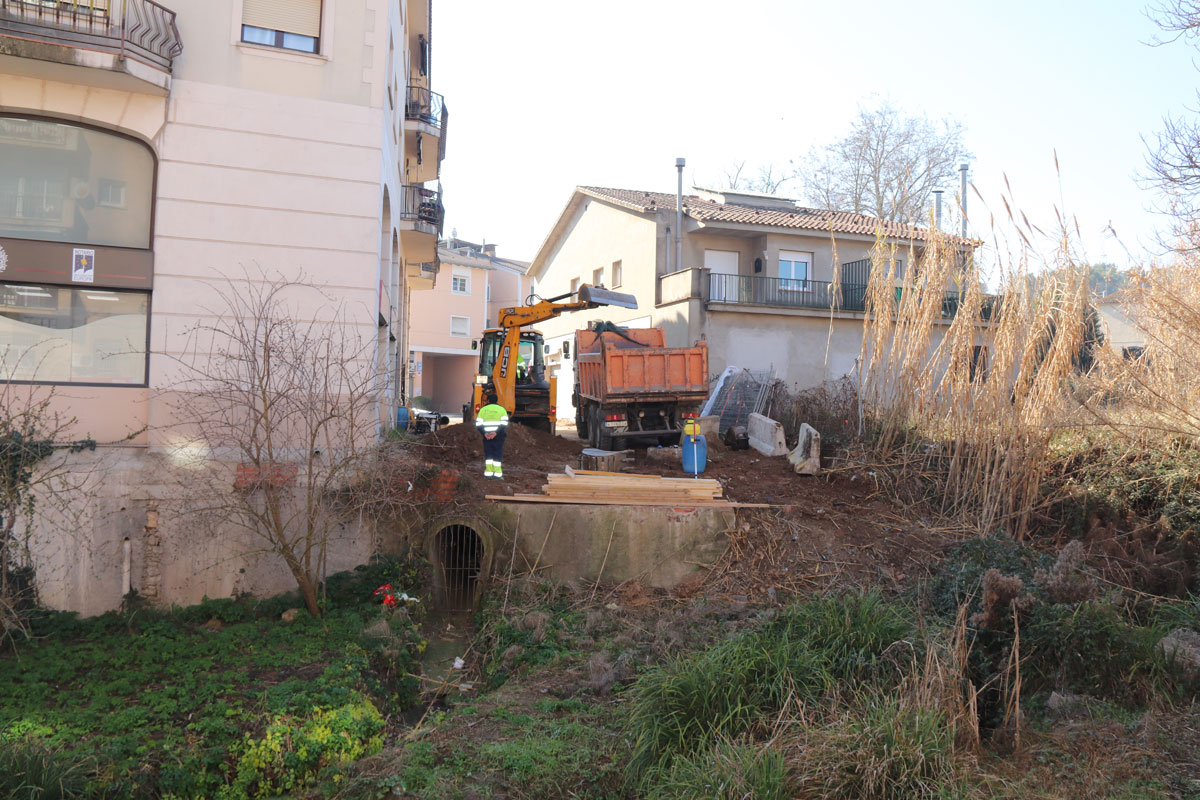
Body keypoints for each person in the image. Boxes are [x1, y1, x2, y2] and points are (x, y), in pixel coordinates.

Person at [475, 392, 509, 478]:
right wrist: (495, 433)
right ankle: (497, 474)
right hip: (498, 436)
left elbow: (478, 424)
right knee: (497, 453)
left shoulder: (483, 410)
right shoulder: (502, 410)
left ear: (488, 401)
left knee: (488, 454)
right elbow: (504, 424)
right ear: (497, 400)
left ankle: (488, 473)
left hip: (487, 437)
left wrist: (485, 433)